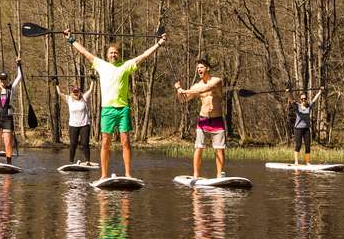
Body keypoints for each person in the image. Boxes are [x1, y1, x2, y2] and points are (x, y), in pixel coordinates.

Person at [65, 29, 166, 180]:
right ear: (107, 55)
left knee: (125, 141)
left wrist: (159, 43)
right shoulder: (100, 64)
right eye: (111, 52)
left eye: (115, 53)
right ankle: (104, 175)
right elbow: (85, 52)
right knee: (106, 142)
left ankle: (128, 173)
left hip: (123, 109)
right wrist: (71, 40)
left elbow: (144, 56)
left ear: (119, 54)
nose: (113, 54)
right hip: (107, 110)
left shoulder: (126, 65)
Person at [174, 59, 226, 178]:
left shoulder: (217, 81)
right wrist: (179, 90)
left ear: (207, 68)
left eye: (201, 67)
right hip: (203, 119)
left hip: (217, 119)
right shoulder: (196, 85)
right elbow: (183, 99)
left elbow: (205, 89)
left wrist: (185, 90)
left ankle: (219, 175)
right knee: (199, 147)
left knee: (219, 149)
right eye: (198, 68)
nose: (199, 70)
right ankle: (196, 175)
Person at [56, 79, 96, 164]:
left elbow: (91, 90)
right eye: (74, 91)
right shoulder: (69, 99)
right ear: (72, 92)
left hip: (84, 125)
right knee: (73, 144)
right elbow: (60, 93)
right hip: (73, 125)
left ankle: (88, 161)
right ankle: (71, 161)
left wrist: (92, 80)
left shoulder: (84, 98)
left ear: (80, 91)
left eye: (77, 91)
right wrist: (56, 84)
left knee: (85, 143)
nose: (76, 93)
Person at [290, 87, 324, 165]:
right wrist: (288, 92)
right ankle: (296, 161)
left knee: (308, 146)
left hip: (306, 129)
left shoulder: (309, 106)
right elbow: (291, 100)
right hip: (298, 129)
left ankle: (307, 162)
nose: (303, 100)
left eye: (305, 99)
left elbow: (315, 99)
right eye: (302, 99)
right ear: (300, 100)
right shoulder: (297, 106)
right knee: (298, 145)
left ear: (306, 99)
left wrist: (320, 91)